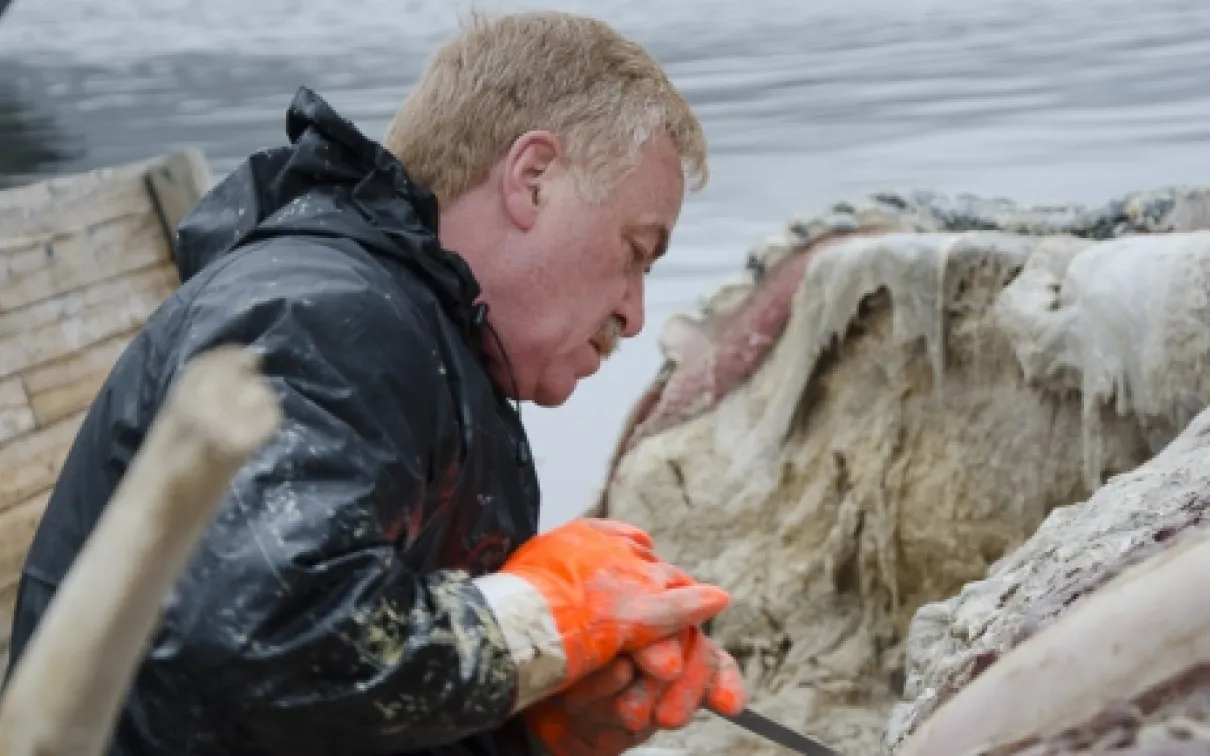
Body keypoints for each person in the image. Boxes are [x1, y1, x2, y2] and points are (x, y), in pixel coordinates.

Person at [4, 10, 746, 756]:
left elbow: (323, 715)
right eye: (634, 251)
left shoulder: (426, 338)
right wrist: (546, 614)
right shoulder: (325, 319)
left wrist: (538, 726)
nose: (635, 312)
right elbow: (265, 637)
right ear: (534, 179)